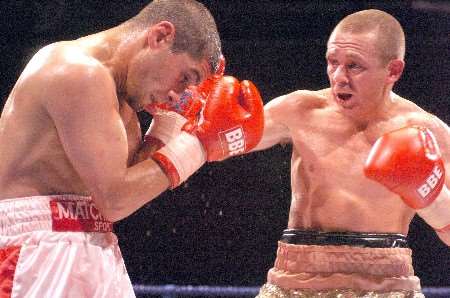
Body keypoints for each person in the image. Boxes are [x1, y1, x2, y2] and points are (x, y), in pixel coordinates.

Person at [0, 0, 264, 297]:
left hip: (93, 245)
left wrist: (171, 122)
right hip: (36, 254)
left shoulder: (122, 106)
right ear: (160, 36)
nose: (177, 92)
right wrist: (199, 144)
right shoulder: (76, 71)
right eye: (185, 77)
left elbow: (131, 188)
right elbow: (114, 200)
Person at [252, 9, 449, 297]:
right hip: (294, 280)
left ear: (393, 71)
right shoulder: (300, 110)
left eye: (354, 66)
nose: (339, 77)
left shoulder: (425, 131)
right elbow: (222, 142)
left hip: (387, 285)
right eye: (333, 63)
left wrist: (431, 195)